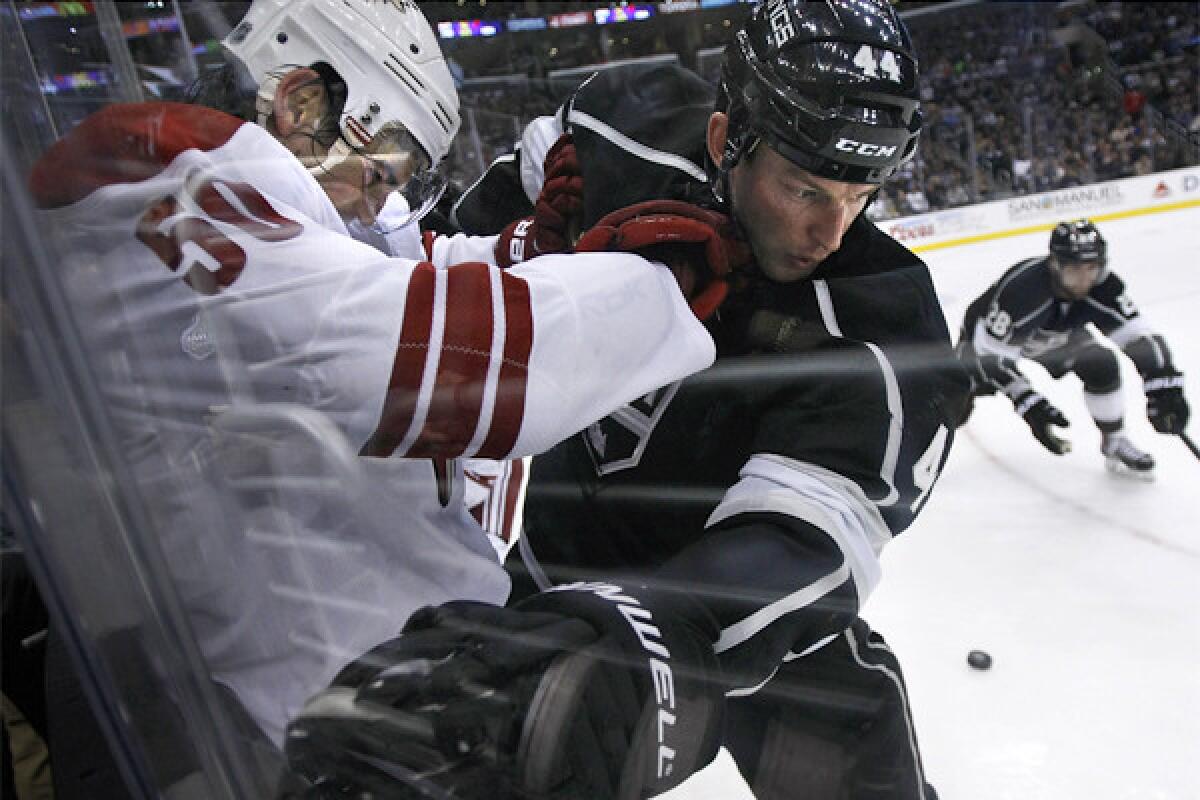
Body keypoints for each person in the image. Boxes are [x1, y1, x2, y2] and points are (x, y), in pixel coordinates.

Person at [25, 0, 743, 785]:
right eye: (392, 162)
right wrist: (660, 278)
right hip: (288, 743)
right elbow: (418, 356)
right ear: (301, 103)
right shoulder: (156, 186)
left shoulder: (244, 187)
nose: (386, 197)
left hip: (354, 713)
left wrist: (528, 248)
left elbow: (387, 254)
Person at [284, 2, 969, 798]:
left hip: (744, 636)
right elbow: (513, 197)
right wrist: (527, 239)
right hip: (550, 576)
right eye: (806, 189)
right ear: (724, 142)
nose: (834, 231)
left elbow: (806, 539)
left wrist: (651, 636)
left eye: (863, 193)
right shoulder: (629, 130)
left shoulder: (884, 323)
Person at [955, 218, 1190, 477]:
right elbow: (990, 357)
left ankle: (1115, 440)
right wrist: (1030, 405)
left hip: (1055, 336)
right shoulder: (1023, 292)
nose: (1085, 279)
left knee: (1102, 364)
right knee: (953, 406)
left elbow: (1138, 335)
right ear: (1055, 265)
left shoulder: (1104, 287)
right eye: (1075, 269)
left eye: (1092, 267)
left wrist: (1164, 386)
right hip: (986, 345)